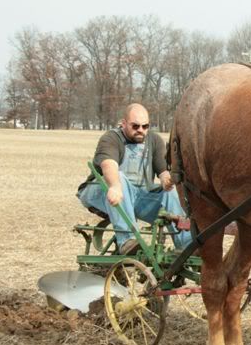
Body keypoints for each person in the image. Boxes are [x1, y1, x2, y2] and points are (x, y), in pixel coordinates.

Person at [76, 103, 192, 254]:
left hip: (136, 195)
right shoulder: (111, 138)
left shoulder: (154, 140)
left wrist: (166, 181)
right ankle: (127, 241)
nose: (141, 130)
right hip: (103, 191)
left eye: (145, 126)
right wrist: (115, 186)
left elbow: (163, 171)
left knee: (169, 193)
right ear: (123, 123)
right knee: (119, 177)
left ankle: (187, 245)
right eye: (135, 126)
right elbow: (108, 165)